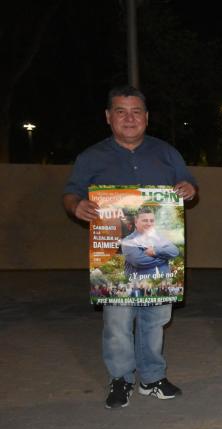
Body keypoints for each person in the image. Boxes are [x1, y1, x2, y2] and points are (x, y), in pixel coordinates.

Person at [63, 85, 197, 409]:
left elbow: (189, 185)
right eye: (121, 111)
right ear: (108, 117)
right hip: (113, 256)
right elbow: (71, 193)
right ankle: (120, 378)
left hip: (157, 260)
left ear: (147, 118)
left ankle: (152, 378)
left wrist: (189, 188)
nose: (129, 118)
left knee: (155, 318)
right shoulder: (91, 156)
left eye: (136, 111)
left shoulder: (167, 153)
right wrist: (75, 205)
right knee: (118, 322)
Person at [121, 207, 179, 278]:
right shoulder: (128, 241)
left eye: (152, 221)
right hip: (139, 286)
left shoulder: (159, 237)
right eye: (145, 220)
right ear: (136, 222)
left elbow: (175, 251)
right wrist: (165, 257)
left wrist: (155, 251)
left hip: (164, 284)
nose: (149, 224)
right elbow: (139, 261)